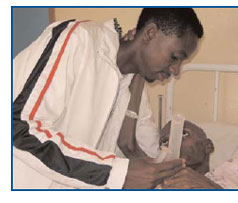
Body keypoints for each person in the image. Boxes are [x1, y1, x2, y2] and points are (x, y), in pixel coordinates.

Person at [13, 8, 203, 189]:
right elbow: (18, 128)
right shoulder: (79, 40)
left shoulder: (134, 90)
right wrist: (116, 173)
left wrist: (179, 163)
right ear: (151, 33)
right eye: (175, 57)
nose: (176, 71)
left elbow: (149, 153)